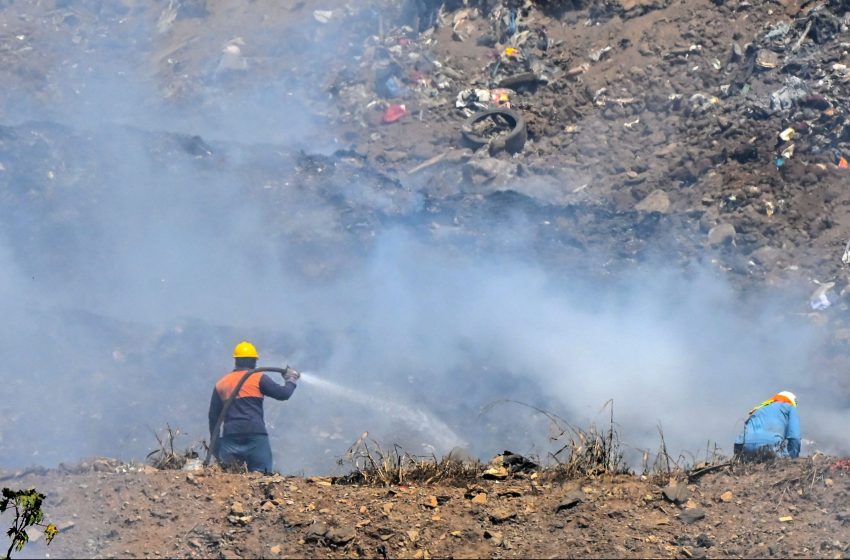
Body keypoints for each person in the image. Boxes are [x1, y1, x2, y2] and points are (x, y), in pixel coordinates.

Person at [208, 341, 300, 473]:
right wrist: (291, 379)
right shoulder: (258, 378)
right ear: (254, 361)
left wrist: (215, 444)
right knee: (262, 476)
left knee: (227, 477)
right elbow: (283, 394)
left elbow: (213, 417)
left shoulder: (222, 383)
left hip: (230, 438)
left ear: (236, 361)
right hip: (255, 436)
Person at [734, 390, 801, 459]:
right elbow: (794, 437)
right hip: (770, 446)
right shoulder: (790, 407)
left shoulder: (759, 408)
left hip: (744, 446)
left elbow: (745, 430)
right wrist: (793, 458)